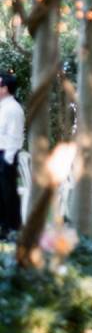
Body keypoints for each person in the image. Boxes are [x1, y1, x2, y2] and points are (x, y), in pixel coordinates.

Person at [0, 70, 25, 237]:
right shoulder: (4, 107)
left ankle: (13, 231)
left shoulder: (13, 109)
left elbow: (15, 137)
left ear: (5, 88)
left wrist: (7, 162)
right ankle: (5, 229)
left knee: (8, 195)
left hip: (6, 157)